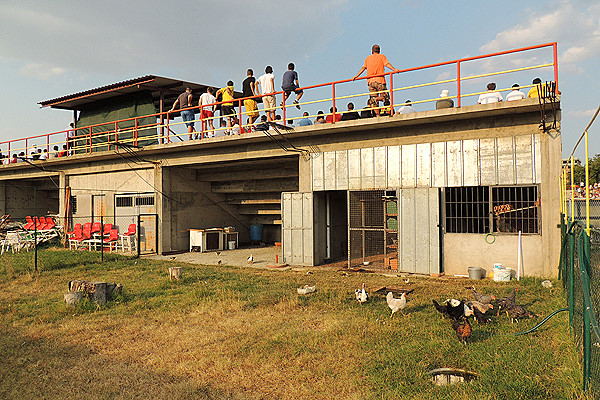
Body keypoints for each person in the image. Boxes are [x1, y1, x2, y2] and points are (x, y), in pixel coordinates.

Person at [353, 44, 397, 116]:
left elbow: (363, 68)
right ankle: (377, 99)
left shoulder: (367, 58)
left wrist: (356, 76)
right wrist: (394, 69)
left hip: (370, 81)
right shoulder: (382, 56)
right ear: (379, 51)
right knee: (386, 97)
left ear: (372, 51)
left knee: (373, 101)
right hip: (380, 80)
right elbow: (387, 64)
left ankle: (378, 115)